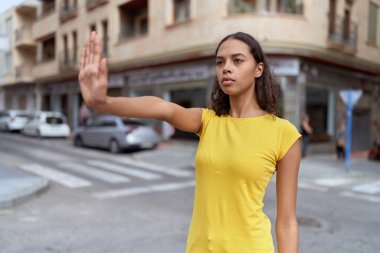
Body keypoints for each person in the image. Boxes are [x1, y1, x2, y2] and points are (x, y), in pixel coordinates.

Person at [79, 31, 301, 253]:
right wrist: (103, 103)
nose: (226, 67)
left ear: (258, 69)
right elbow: (162, 108)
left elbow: (287, 222)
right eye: (220, 62)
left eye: (238, 60)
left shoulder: (283, 133)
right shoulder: (207, 121)